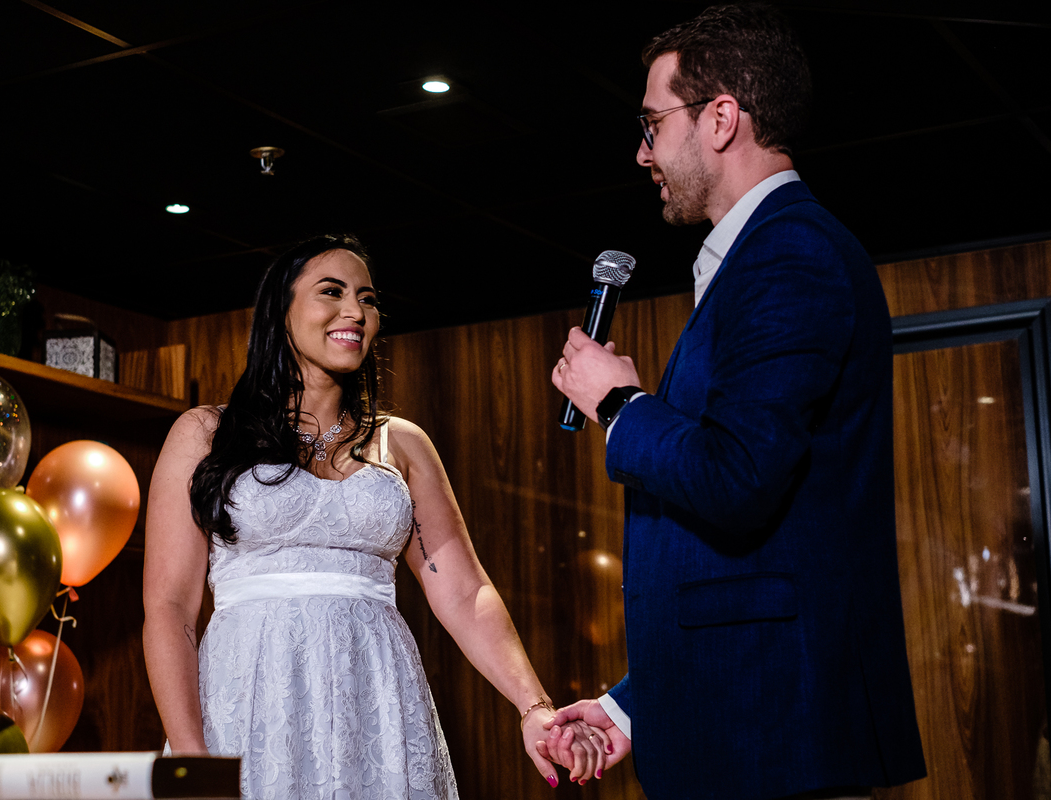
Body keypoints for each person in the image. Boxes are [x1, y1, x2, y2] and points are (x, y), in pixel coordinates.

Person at [542, 5, 927, 799]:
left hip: (778, 740)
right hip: (748, 722)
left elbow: (736, 477)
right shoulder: (761, 255)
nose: (642, 151)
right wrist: (631, 707)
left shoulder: (790, 252)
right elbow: (762, 551)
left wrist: (620, 403)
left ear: (720, 119)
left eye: (652, 124)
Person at [142, 234, 603, 799]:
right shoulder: (206, 434)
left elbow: (465, 592)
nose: (355, 312)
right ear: (280, 310)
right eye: (331, 292)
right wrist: (191, 759)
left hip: (376, 702)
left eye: (367, 299)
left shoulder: (402, 444)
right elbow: (169, 609)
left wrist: (534, 706)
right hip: (249, 702)